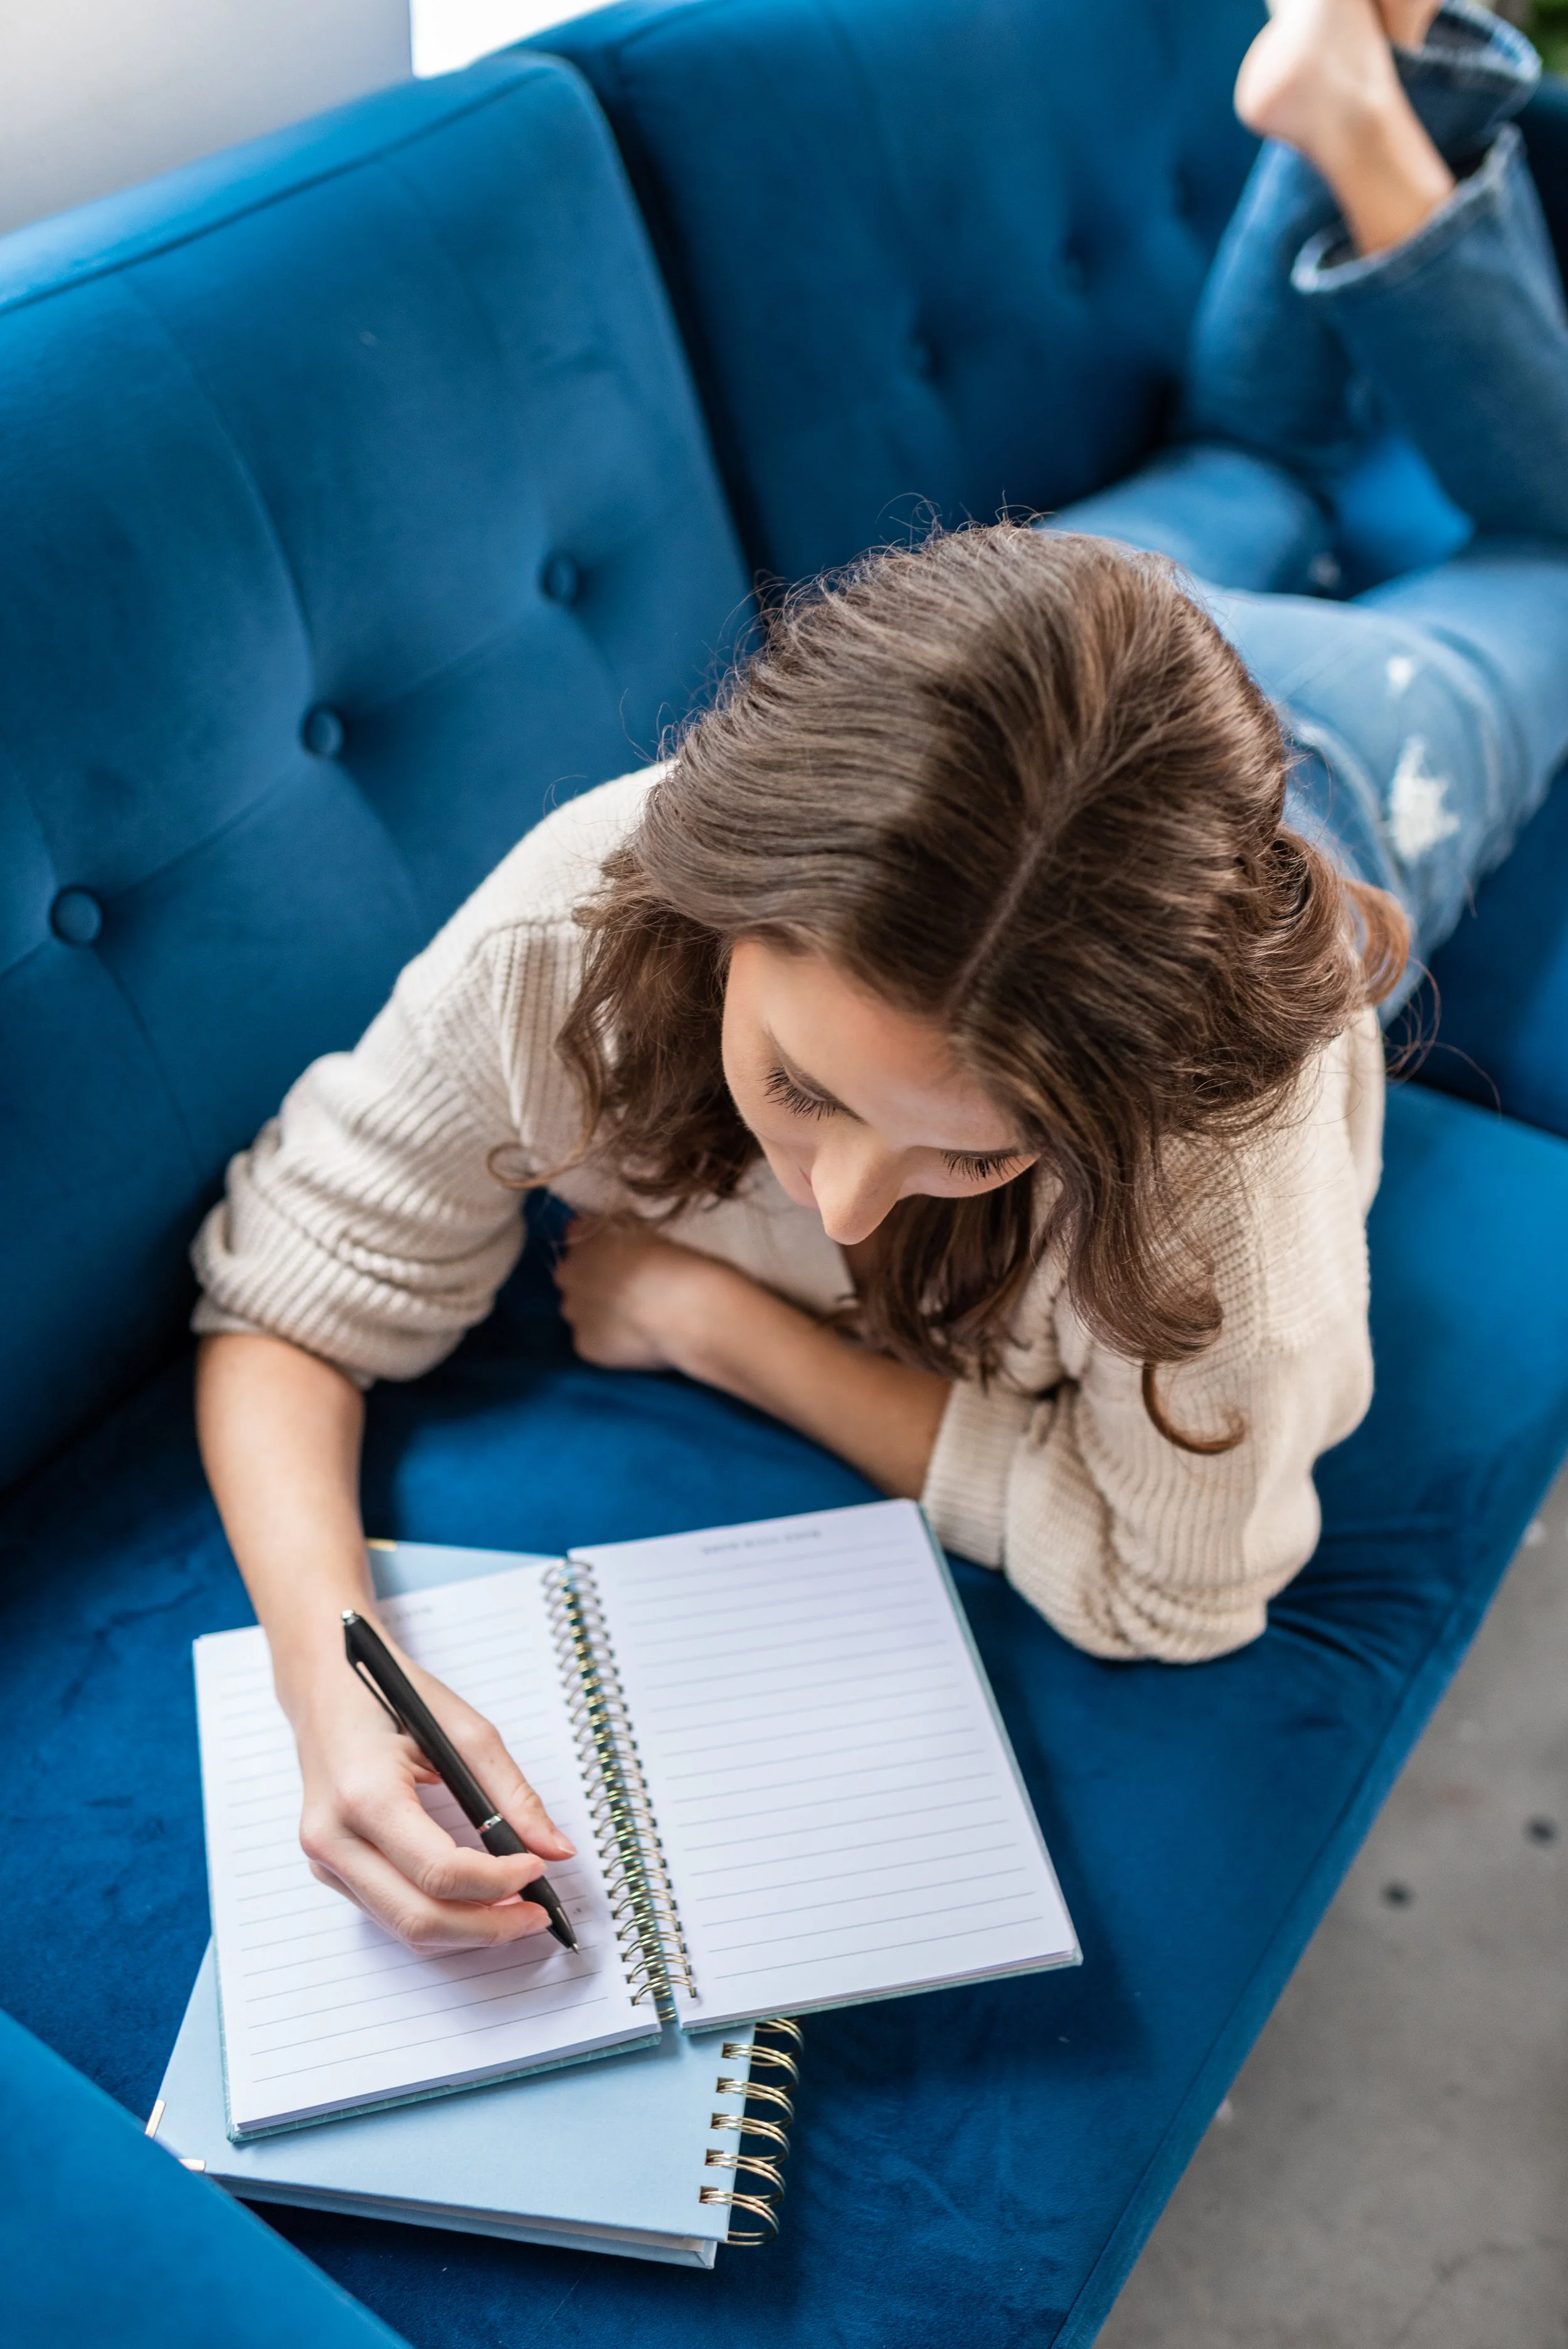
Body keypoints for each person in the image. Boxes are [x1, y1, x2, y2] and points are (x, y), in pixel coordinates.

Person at [192, 0, 1568, 1954]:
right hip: (1070, 666)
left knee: (1551, 540)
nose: (834, 1207)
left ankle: (1374, 95)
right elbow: (297, 1288)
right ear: (719, 893)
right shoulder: (592, 904)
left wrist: (720, 1322)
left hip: (1340, 770)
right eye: (807, 1088)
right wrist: (329, 1690)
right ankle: (1359, 86)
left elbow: (1168, 1591)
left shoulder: (1209, 1155)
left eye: (970, 1157)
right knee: (1242, 452)